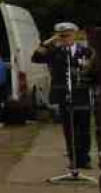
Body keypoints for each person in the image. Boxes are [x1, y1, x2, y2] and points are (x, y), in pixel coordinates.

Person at [33, 22, 95, 170]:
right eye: (62, 36)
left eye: (67, 35)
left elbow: (94, 70)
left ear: (75, 34)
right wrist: (49, 42)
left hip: (82, 94)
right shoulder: (55, 51)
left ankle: (84, 159)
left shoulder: (86, 51)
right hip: (64, 96)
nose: (65, 38)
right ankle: (73, 158)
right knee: (69, 129)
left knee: (84, 129)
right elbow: (35, 57)